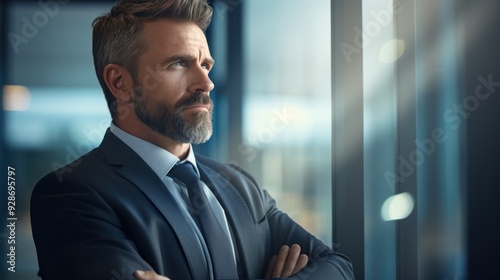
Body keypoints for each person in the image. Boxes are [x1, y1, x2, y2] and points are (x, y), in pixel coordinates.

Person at [30, 0, 354, 279]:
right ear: (120, 83)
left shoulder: (239, 185)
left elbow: (338, 267)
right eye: (179, 63)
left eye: (206, 65)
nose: (206, 83)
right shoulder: (68, 194)